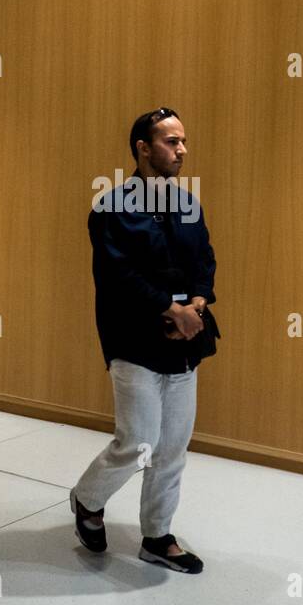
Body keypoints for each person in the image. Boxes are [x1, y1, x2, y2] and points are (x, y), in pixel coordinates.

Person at [70, 106, 219, 574]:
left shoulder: (189, 204)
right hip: (134, 341)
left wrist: (195, 304)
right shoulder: (110, 209)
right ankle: (87, 499)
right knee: (138, 442)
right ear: (142, 148)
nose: (182, 150)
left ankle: (157, 537)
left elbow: (205, 261)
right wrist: (168, 308)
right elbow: (118, 276)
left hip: (186, 340)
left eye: (183, 141)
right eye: (171, 142)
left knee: (173, 446)